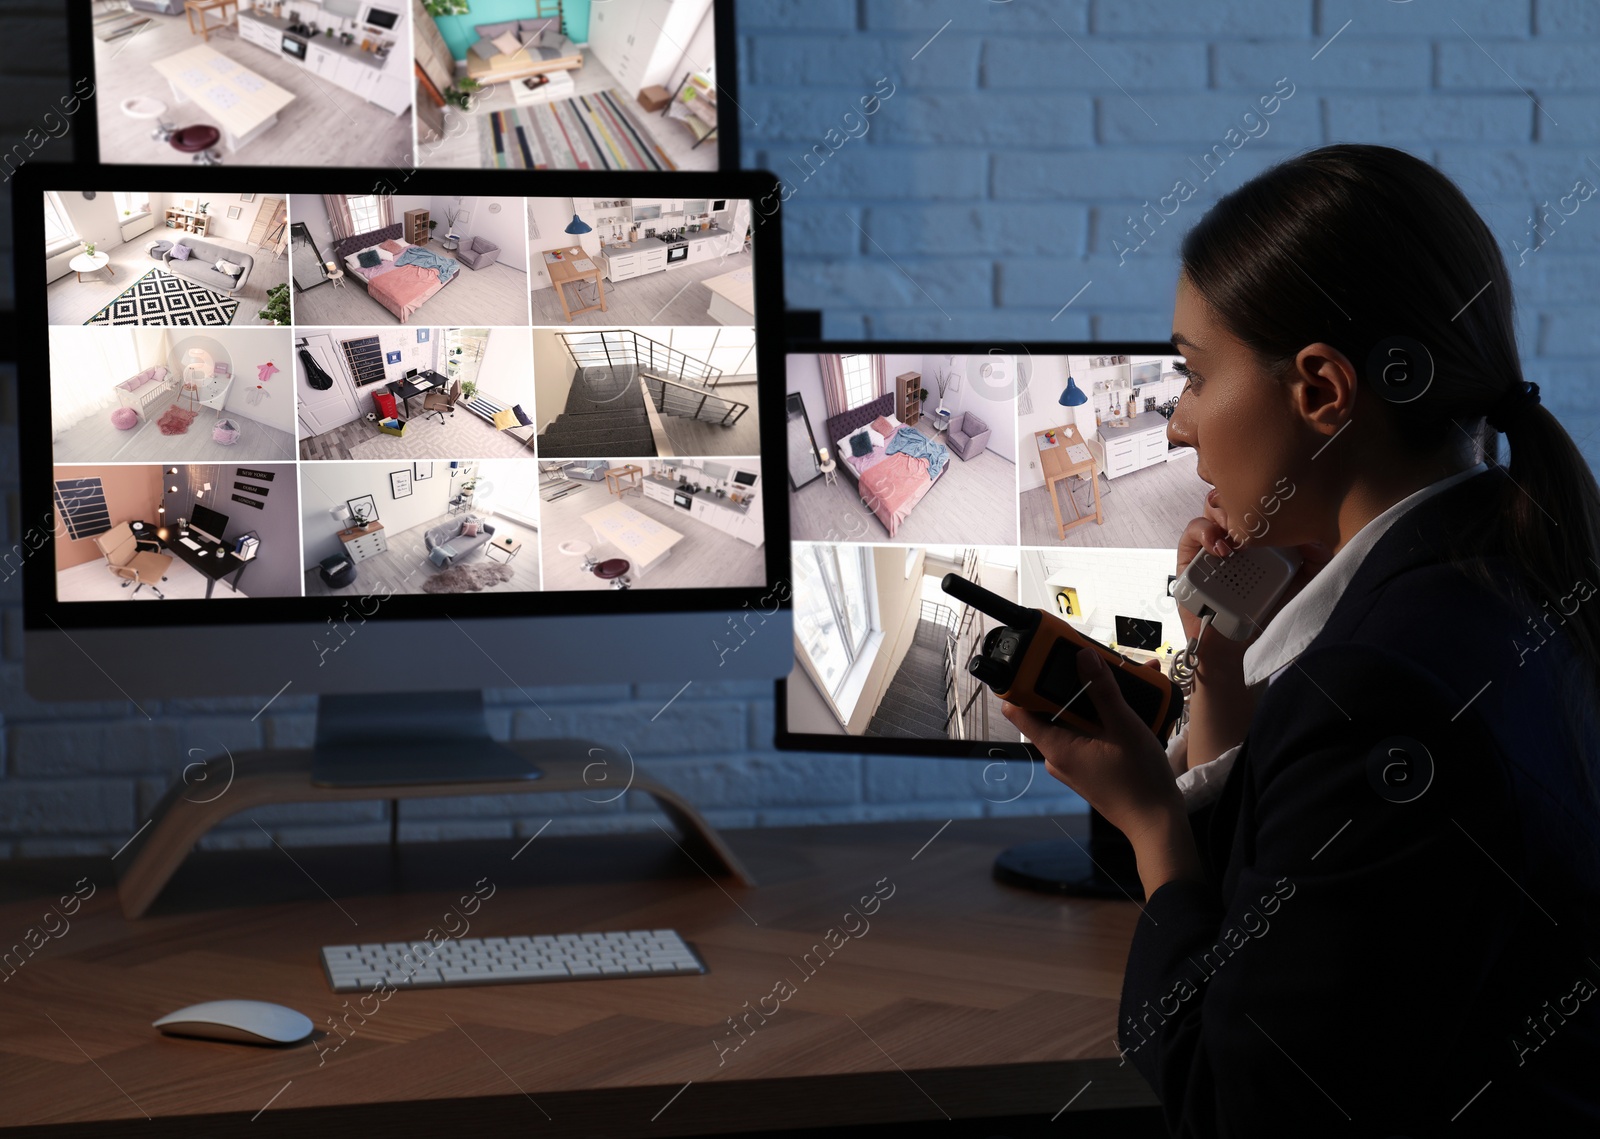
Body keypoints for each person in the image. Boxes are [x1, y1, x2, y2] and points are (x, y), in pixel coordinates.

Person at [1005, 144, 1600, 1133]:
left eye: (1192, 375)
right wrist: (1223, 664)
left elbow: (1234, 1096)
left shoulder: (1379, 686)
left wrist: (1150, 820)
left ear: (1321, 389)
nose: (1181, 426)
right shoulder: (1516, 562)